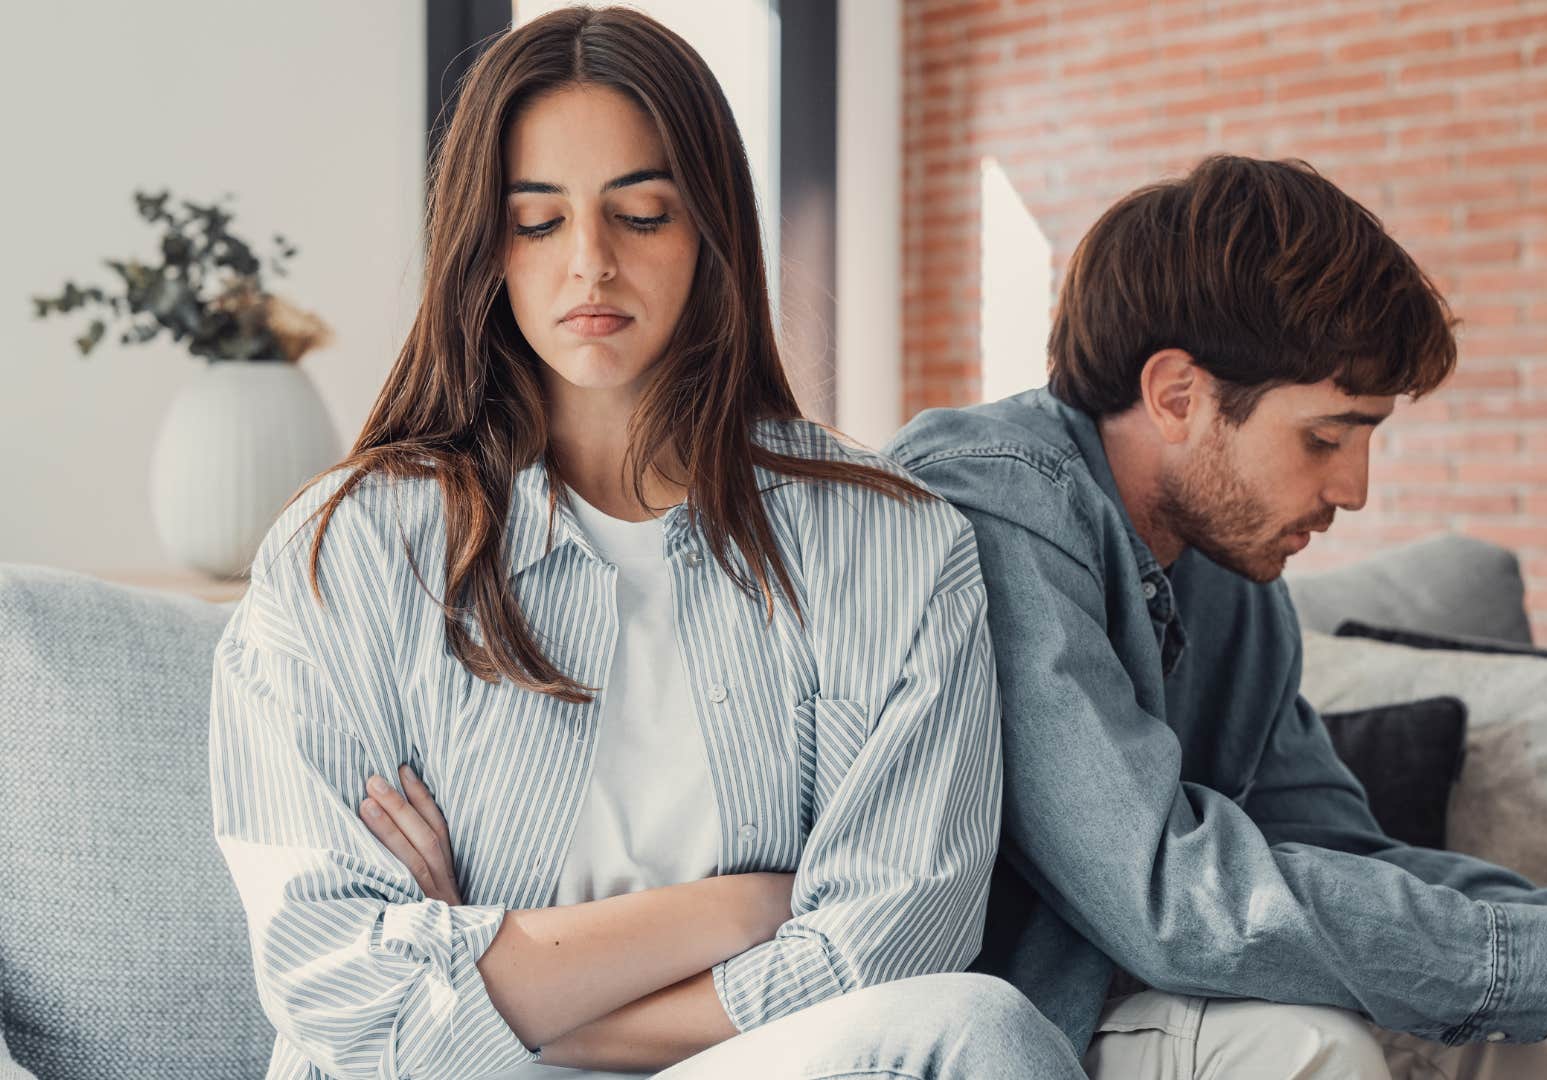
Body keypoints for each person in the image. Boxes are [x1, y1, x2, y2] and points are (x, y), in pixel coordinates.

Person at [207, 8, 1084, 1079]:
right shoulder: (346, 551)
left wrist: (516, 980)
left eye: (643, 212)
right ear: (482, 244)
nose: (592, 264)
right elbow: (339, 993)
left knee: (975, 1028)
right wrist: (742, 906)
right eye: (537, 222)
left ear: (710, 228)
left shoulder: (894, 541)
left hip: (742, 1059)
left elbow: (893, 946)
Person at [884, 154, 1547, 1080]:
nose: (1357, 490)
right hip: (1012, 1019)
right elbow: (1164, 891)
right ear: (1178, 394)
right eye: (1327, 436)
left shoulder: (1234, 583)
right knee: (1314, 1051)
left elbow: (1337, 851)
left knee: (1498, 1036)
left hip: (1141, 984)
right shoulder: (997, 505)